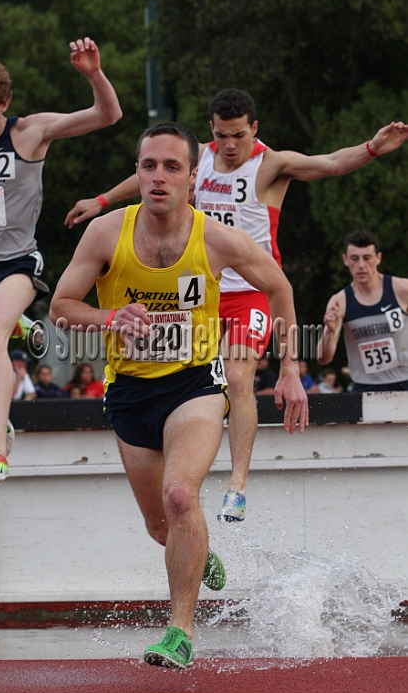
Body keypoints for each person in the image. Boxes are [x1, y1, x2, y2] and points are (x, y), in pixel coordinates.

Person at [64, 89, 408, 522]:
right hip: (199, 291)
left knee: (237, 374)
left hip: (250, 293)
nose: (230, 146)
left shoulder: (271, 164)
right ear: (211, 131)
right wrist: (100, 201)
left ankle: (237, 483)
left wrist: (374, 147)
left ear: (254, 129)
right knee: (180, 375)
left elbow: (331, 163)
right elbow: (150, 179)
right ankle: (181, 483)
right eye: (222, 136)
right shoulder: (192, 162)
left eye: (239, 136)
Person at [50, 121, 308, 670]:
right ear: (137, 173)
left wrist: (290, 366)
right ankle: (201, 552)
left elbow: (278, 284)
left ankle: (180, 631)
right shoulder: (104, 233)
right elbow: (61, 308)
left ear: (193, 177)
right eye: (149, 166)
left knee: (179, 496)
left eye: (172, 167)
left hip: (193, 385)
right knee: (160, 527)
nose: (158, 177)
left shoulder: (215, 238)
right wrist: (111, 317)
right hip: (129, 391)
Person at [0, 37, 122, 484]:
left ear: (4, 103)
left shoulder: (29, 132)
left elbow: (107, 115)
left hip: (14, 265)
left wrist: (93, 74)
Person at [318, 230, 408, 392]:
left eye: (367, 258)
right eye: (354, 259)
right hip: (365, 386)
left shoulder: (402, 290)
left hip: (405, 380)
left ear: (378, 258)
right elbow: (323, 358)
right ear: (345, 260)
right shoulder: (340, 302)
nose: (361, 265)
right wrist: (329, 332)